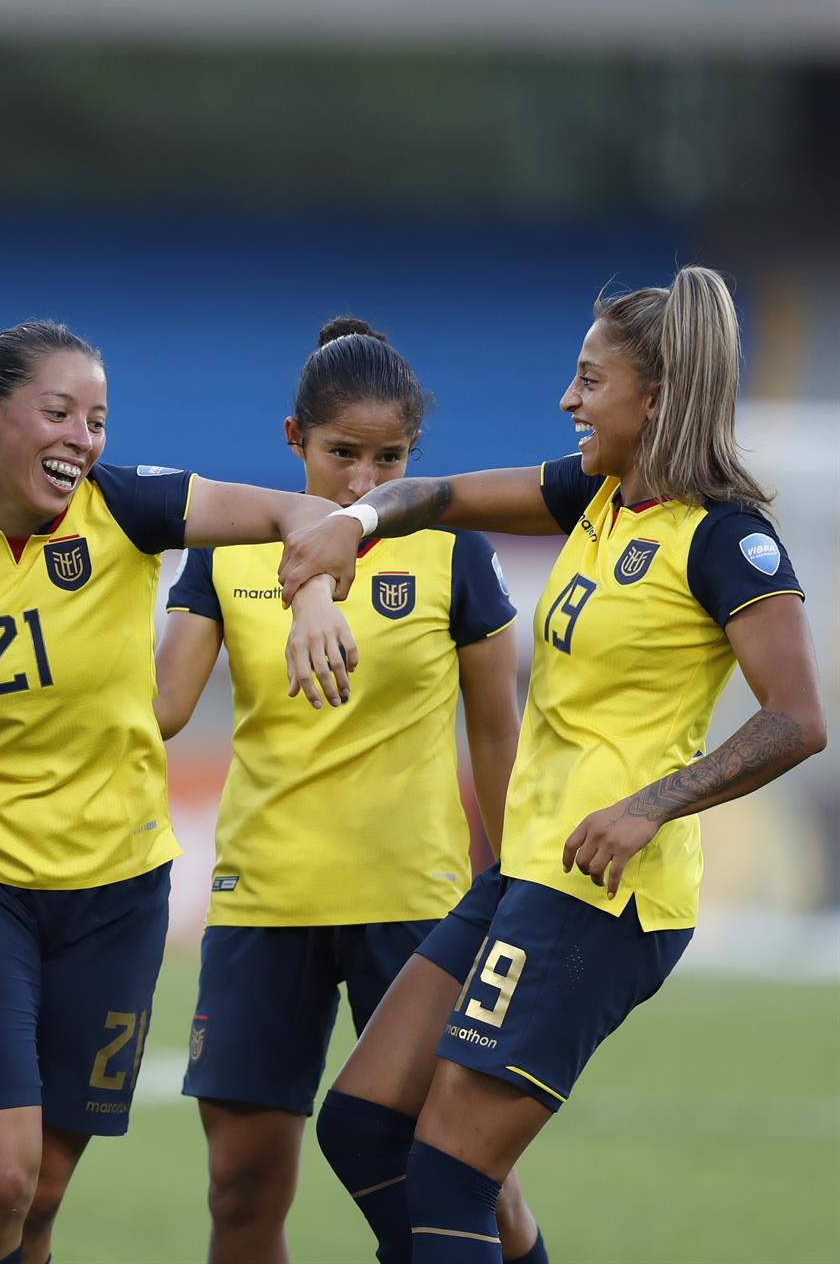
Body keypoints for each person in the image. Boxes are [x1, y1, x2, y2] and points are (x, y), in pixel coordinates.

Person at [0, 320, 360, 1264]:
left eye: (98, 418)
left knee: (35, 1198)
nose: (84, 437)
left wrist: (314, 600)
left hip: (115, 893)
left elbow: (305, 515)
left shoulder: (128, 506)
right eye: (60, 412)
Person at [280, 267, 826, 1263]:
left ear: (652, 398)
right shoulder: (598, 496)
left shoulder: (723, 539)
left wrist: (649, 808)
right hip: (526, 873)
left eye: (590, 380)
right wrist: (350, 526)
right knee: (362, 1126)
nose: (568, 401)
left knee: (449, 1173)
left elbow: (796, 720)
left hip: (601, 894)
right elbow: (432, 492)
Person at [155, 318, 546, 1264]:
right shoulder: (231, 546)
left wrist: (513, 889)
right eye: (341, 454)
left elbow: (497, 734)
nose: (364, 482)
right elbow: (159, 709)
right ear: (294, 439)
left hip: (413, 905)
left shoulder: (455, 553)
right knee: (240, 1190)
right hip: (266, 899)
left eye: (390, 457)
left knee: (463, 1179)